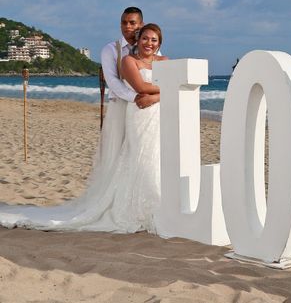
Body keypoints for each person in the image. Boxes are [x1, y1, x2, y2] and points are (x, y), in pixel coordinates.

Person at [0, 24, 167, 233]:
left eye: (154, 40)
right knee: (140, 157)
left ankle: (160, 206)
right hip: (140, 114)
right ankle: (138, 209)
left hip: (159, 113)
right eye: (145, 38)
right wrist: (162, 91)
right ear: (138, 39)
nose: (149, 43)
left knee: (158, 157)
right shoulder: (129, 61)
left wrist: (158, 96)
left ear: (159, 43)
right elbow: (141, 88)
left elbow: (173, 87)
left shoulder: (166, 62)